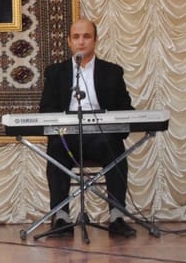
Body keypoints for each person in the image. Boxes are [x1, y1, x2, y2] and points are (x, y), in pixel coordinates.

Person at [38, 18, 136, 238]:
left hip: (102, 140)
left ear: (96, 40)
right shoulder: (56, 73)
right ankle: (61, 217)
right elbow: (46, 110)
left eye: (86, 36)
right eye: (76, 37)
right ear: (69, 42)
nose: (81, 42)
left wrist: (116, 125)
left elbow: (125, 108)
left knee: (116, 148)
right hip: (68, 139)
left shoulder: (112, 72)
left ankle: (117, 217)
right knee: (55, 148)